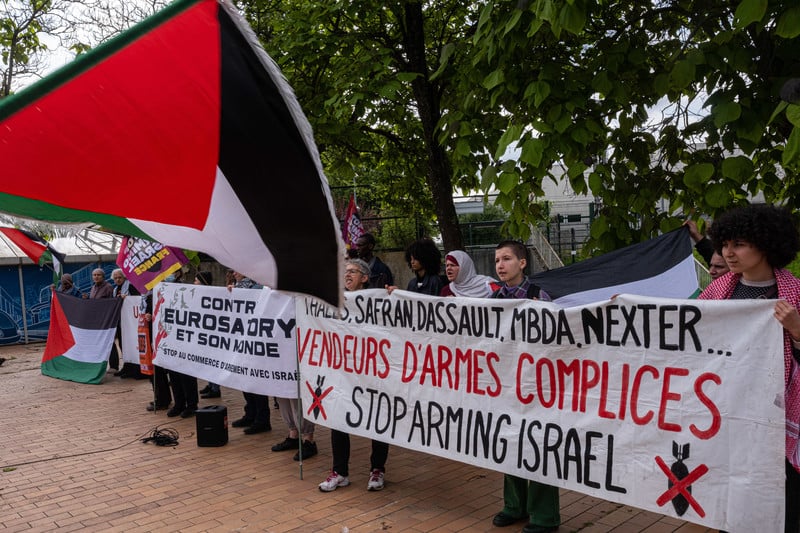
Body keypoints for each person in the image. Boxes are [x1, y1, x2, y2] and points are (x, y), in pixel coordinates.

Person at [699, 204, 800, 533]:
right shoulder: (715, 293)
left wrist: (798, 331)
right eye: (725, 244)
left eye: (739, 244)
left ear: (766, 243)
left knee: (783, 507)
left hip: (777, 422)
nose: (728, 253)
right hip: (728, 416)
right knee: (733, 501)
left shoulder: (795, 295)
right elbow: (686, 342)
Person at [491, 240, 559, 533]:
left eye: (506, 259)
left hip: (537, 386)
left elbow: (556, 338)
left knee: (539, 446)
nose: (500, 265)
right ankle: (514, 506)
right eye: (496, 261)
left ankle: (544, 516)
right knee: (509, 441)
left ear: (522, 263)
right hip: (506, 385)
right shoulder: (493, 301)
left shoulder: (539, 296)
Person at [319, 258, 389, 492]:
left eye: (352, 271)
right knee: (338, 417)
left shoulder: (380, 300)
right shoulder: (333, 301)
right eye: (344, 271)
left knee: (378, 419)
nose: (347, 275)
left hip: (373, 373)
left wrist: (395, 296)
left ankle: (377, 469)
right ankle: (340, 472)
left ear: (365, 278)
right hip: (344, 373)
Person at [228, 271, 271, 434]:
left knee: (256, 380)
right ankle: (250, 413)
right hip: (241, 339)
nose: (233, 272)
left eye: (237, 269)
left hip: (256, 340)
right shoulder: (239, 287)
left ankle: (262, 419)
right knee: (244, 379)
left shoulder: (260, 287)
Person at [165, 270, 198, 418]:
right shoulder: (162, 288)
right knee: (173, 372)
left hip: (184, 337)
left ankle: (191, 404)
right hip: (169, 336)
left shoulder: (185, 289)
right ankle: (179, 403)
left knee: (186, 373)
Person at [109, 269, 143, 378]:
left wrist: (127, 298)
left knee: (133, 345)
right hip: (121, 321)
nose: (118, 280)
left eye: (120, 277)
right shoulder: (115, 290)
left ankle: (137, 369)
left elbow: (137, 300)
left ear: (124, 277)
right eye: (115, 278)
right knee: (123, 345)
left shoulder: (131, 286)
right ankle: (127, 367)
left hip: (131, 322)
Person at [195, 271, 222, 399]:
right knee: (206, 361)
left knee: (213, 361)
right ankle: (211, 384)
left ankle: (215, 388)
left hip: (211, 334)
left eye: (196, 280)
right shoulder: (199, 294)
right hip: (204, 333)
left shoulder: (212, 294)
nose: (194, 283)